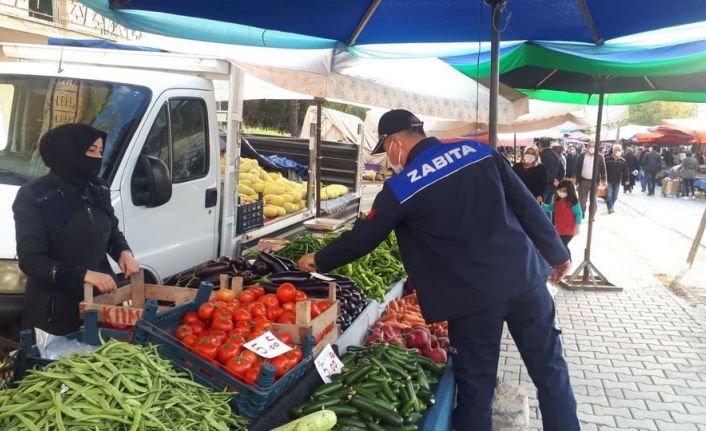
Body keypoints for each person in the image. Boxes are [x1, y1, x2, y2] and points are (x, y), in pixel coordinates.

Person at [298, 109, 579, 431]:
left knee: (476, 388)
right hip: (525, 280)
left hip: (471, 298)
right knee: (550, 371)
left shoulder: (402, 186)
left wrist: (318, 261)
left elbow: (365, 237)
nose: (390, 158)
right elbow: (525, 204)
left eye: (386, 148)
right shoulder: (479, 153)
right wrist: (558, 254)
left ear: (396, 143)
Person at [13, 123, 139, 335]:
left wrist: (123, 252)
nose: (97, 158)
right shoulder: (33, 196)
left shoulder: (98, 188)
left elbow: (111, 230)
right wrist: (84, 275)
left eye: (100, 152)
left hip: (99, 301)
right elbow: (31, 260)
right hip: (55, 310)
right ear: (67, 151)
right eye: (91, 150)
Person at [542, 179, 582, 261]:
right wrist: (541, 205)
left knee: (563, 245)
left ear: (570, 191)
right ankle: (563, 262)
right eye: (559, 190)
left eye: (564, 191)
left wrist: (577, 226)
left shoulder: (573, 203)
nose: (561, 192)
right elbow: (549, 208)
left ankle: (567, 262)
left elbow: (579, 214)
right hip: (559, 230)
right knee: (560, 246)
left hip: (569, 231)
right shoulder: (557, 201)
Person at [571, 141, 606, 222]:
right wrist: (574, 177)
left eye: (593, 146)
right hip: (583, 180)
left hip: (594, 182)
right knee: (582, 200)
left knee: (593, 200)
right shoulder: (582, 156)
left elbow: (603, 169)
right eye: (590, 145)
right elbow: (576, 167)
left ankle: (591, 216)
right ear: (587, 147)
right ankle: (582, 213)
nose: (591, 147)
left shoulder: (600, 157)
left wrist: (604, 180)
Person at [604, 145, 631, 214]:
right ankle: (610, 208)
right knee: (609, 195)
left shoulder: (623, 161)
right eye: (617, 150)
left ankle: (611, 206)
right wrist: (602, 178)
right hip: (608, 180)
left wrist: (627, 179)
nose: (619, 151)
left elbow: (625, 171)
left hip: (617, 181)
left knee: (615, 196)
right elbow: (603, 170)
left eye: (620, 150)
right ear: (614, 151)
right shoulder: (607, 159)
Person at [538, 138, 565, 204]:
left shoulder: (542, 155)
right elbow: (562, 171)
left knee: (541, 206)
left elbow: (543, 171)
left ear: (540, 145)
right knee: (548, 206)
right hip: (553, 186)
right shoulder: (557, 155)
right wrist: (557, 180)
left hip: (543, 185)